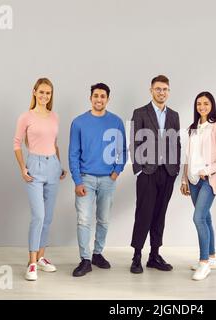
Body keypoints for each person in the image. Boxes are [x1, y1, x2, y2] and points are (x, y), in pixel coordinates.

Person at [69, 83, 127, 277]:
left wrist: (116, 172)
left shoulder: (116, 122)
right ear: (90, 98)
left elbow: (122, 150)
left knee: (103, 220)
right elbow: (73, 154)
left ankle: (97, 254)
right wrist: (77, 181)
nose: (99, 99)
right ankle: (85, 259)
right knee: (84, 219)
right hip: (85, 178)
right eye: (96, 96)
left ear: (108, 99)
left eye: (103, 96)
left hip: (108, 180)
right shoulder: (78, 122)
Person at [13, 78, 67, 281]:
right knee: (38, 216)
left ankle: (42, 257)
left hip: (53, 166)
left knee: (49, 217)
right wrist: (22, 168)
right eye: (42, 92)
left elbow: (55, 143)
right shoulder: (25, 117)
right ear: (34, 92)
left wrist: (60, 166)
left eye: (49, 93)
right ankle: (32, 263)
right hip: (34, 166)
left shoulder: (55, 117)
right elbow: (17, 144)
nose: (45, 96)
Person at [129, 75, 181, 274]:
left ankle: (154, 255)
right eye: (158, 89)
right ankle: (136, 256)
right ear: (151, 90)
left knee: (160, 215)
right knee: (143, 214)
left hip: (167, 173)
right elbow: (134, 142)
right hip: (147, 172)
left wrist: (175, 169)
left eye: (165, 89)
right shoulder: (140, 112)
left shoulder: (174, 115)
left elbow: (176, 142)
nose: (162, 92)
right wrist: (140, 168)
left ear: (169, 91)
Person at [180, 92, 216, 281]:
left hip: (209, 180)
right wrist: (184, 180)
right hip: (193, 180)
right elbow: (187, 157)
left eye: (206, 103)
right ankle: (212, 257)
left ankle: (203, 263)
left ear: (212, 105)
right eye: (199, 104)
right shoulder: (192, 128)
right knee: (206, 218)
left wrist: (208, 170)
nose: (202, 106)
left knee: (198, 217)